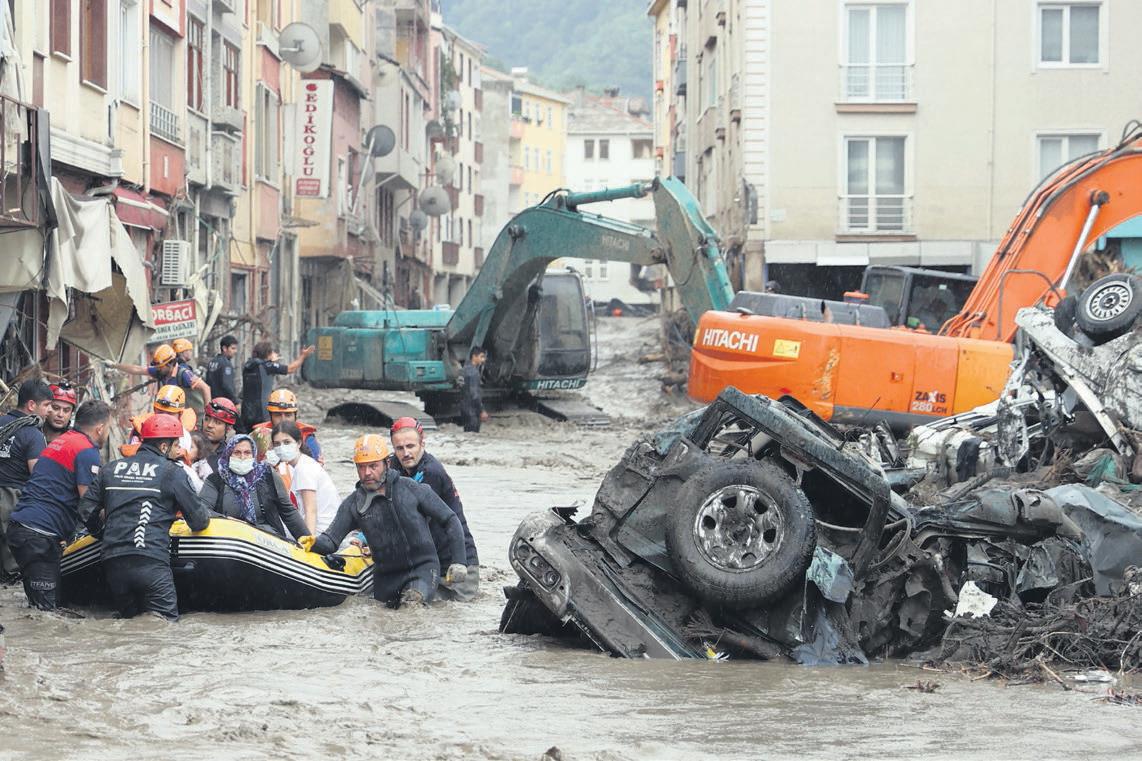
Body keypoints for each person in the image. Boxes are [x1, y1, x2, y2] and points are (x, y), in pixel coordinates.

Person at [301, 434, 468, 608]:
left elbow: (450, 519)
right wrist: (313, 542)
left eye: (373, 466)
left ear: (387, 464)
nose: (367, 473)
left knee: (411, 606)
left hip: (422, 568)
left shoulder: (412, 489)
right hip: (385, 578)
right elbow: (331, 540)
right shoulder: (353, 503)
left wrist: (459, 561)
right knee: (381, 622)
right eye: (361, 467)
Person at [78, 414, 210, 620]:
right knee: (164, 626)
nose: (179, 451)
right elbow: (199, 520)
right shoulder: (172, 472)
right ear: (164, 446)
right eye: (176, 445)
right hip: (151, 562)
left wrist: (101, 533)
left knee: (128, 626)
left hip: (114, 564)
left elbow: (85, 509)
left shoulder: (111, 469)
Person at [6, 401, 110, 610]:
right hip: (38, 536)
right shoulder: (86, 450)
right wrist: (104, 532)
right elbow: (88, 503)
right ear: (100, 428)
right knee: (46, 612)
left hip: (23, 530)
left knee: (36, 607)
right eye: (108, 427)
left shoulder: (62, 441)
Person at [388, 416, 479, 601]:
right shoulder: (394, 466)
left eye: (411, 446)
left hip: (456, 563)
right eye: (399, 448)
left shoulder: (432, 472)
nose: (406, 453)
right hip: (429, 562)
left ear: (422, 443)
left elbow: (411, 522)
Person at [198, 435, 308, 541]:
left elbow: (288, 511)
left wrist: (307, 538)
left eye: (247, 453)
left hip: (267, 539)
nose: (242, 457)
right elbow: (202, 509)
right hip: (229, 538)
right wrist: (226, 520)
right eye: (236, 453)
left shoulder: (267, 475)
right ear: (228, 455)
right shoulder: (215, 479)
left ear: (254, 455)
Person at [0, 379, 53, 582]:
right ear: (32, 405)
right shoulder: (33, 434)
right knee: (13, 567)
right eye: (47, 405)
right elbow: (38, 475)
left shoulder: (2, 422)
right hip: (12, 499)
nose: (49, 410)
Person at [270, 422, 339, 535]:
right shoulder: (300, 465)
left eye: (287, 442)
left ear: (298, 443)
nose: (282, 447)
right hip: (326, 528)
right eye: (277, 444)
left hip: (322, 532)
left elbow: (310, 510)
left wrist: (309, 543)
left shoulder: (304, 468)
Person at [240, 340, 314, 432]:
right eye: (272, 352)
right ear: (268, 353)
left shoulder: (247, 366)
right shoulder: (268, 366)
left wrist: (270, 361)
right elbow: (291, 369)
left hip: (246, 412)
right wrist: (303, 356)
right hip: (262, 413)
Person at [110, 343, 212, 409]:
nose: (158, 369)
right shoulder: (162, 372)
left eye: (160, 367)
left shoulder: (183, 374)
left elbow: (205, 388)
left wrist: (209, 415)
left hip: (190, 421)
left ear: (170, 364)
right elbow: (137, 369)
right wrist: (114, 365)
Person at [252, 389, 323, 463]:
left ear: (295, 416)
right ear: (271, 416)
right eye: (277, 415)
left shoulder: (308, 439)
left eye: (288, 415)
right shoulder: (259, 436)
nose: (283, 419)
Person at [200, 398, 238, 476]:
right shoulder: (189, 446)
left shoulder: (228, 459)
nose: (209, 425)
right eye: (207, 419)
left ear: (228, 428)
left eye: (218, 422)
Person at [459, 346, 489, 433]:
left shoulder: (463, 370)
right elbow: (474, 394)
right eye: (481, 356)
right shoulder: (474, 373)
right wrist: (482, 410)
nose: (483, 360)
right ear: (474, 356)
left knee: (467, 435)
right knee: (474, 434)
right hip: (472, 411)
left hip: (464, 408)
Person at [205, 335, 239, 403]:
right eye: (233, 348)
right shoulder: (226, 364)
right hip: (224, 403)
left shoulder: (212, 362)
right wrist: (235, 401)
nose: (235, 351)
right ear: (224, 348)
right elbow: (227, 385)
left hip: (212, 402)